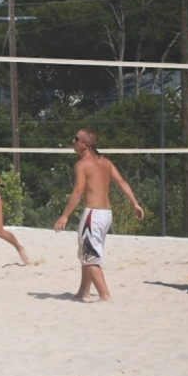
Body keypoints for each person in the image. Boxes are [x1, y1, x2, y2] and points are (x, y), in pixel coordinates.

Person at [54, 129, 143, 302]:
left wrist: (65, 215)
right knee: (87, 254)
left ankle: (104, 295)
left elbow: (78, 191)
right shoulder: (106, 163)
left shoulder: (82, 164)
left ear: (85, 144)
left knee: (90, 257)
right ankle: (83, 292)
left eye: (76, 139)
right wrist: (134, 203)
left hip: (93, 215)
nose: (73, 141)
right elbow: (121, 182)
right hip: (106, 215)